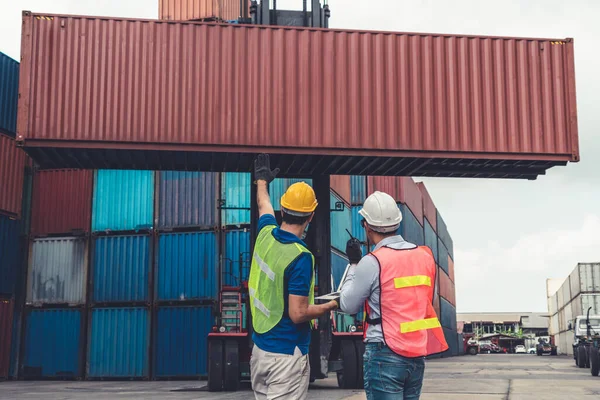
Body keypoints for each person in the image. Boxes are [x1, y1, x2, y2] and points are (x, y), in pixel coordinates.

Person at [340, 191, 448, 400]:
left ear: (367, 226)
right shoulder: (424, 256)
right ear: (398, 221)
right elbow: (427, 300)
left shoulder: (372, 262)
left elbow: (348, 305)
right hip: (416, 354)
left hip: (384, 352)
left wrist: (354, 263)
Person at [249, 154, 339, 400]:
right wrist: (330, 306)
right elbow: (297, 313)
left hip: (259, 353)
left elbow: (263, 205)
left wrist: (261, 181)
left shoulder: (265, 234)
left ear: (283, 208)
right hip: (287, 356)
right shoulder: (301, 256)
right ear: (311, 216)